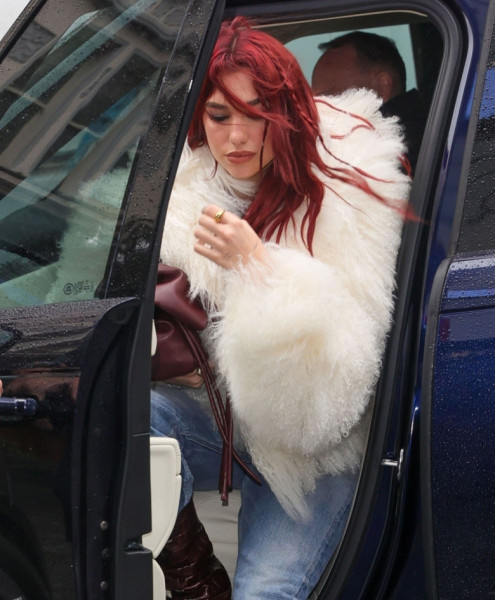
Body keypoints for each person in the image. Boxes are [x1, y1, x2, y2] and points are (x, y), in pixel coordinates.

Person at [151, 17, 411, 600]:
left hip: (315, 447)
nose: (238, 136)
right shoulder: (180, 191)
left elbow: (336, 395)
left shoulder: (350, 192)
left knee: (268, 592)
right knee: (128, 414)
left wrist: (259, 268)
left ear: (288, 113)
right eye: (220, 115)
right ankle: (194, 579)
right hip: (220, 418)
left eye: (258, 114)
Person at [311, 31, 428, 175]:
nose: (319, 110)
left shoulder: (402, 154)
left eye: (331, 96)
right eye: (315, 100)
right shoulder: (428, 132)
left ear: (382, 88)